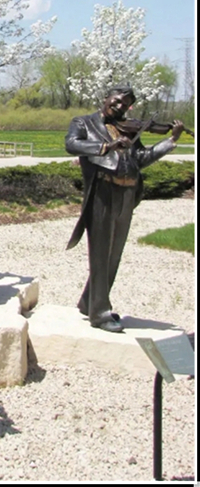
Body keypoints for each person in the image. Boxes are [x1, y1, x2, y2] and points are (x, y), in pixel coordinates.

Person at [65, 84, 184, 333]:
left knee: (114, 254)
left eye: (125, 104)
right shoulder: (84, 122)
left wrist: (170, 140)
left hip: (127, 194)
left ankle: (89, 302)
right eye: (117, 100)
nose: (120, 106)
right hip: (102, 193)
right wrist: (107, 147)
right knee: (100, 253)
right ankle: (100, 314)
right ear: (106, 98)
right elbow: (72, 144)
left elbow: (140, 159)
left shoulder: (127, 129)